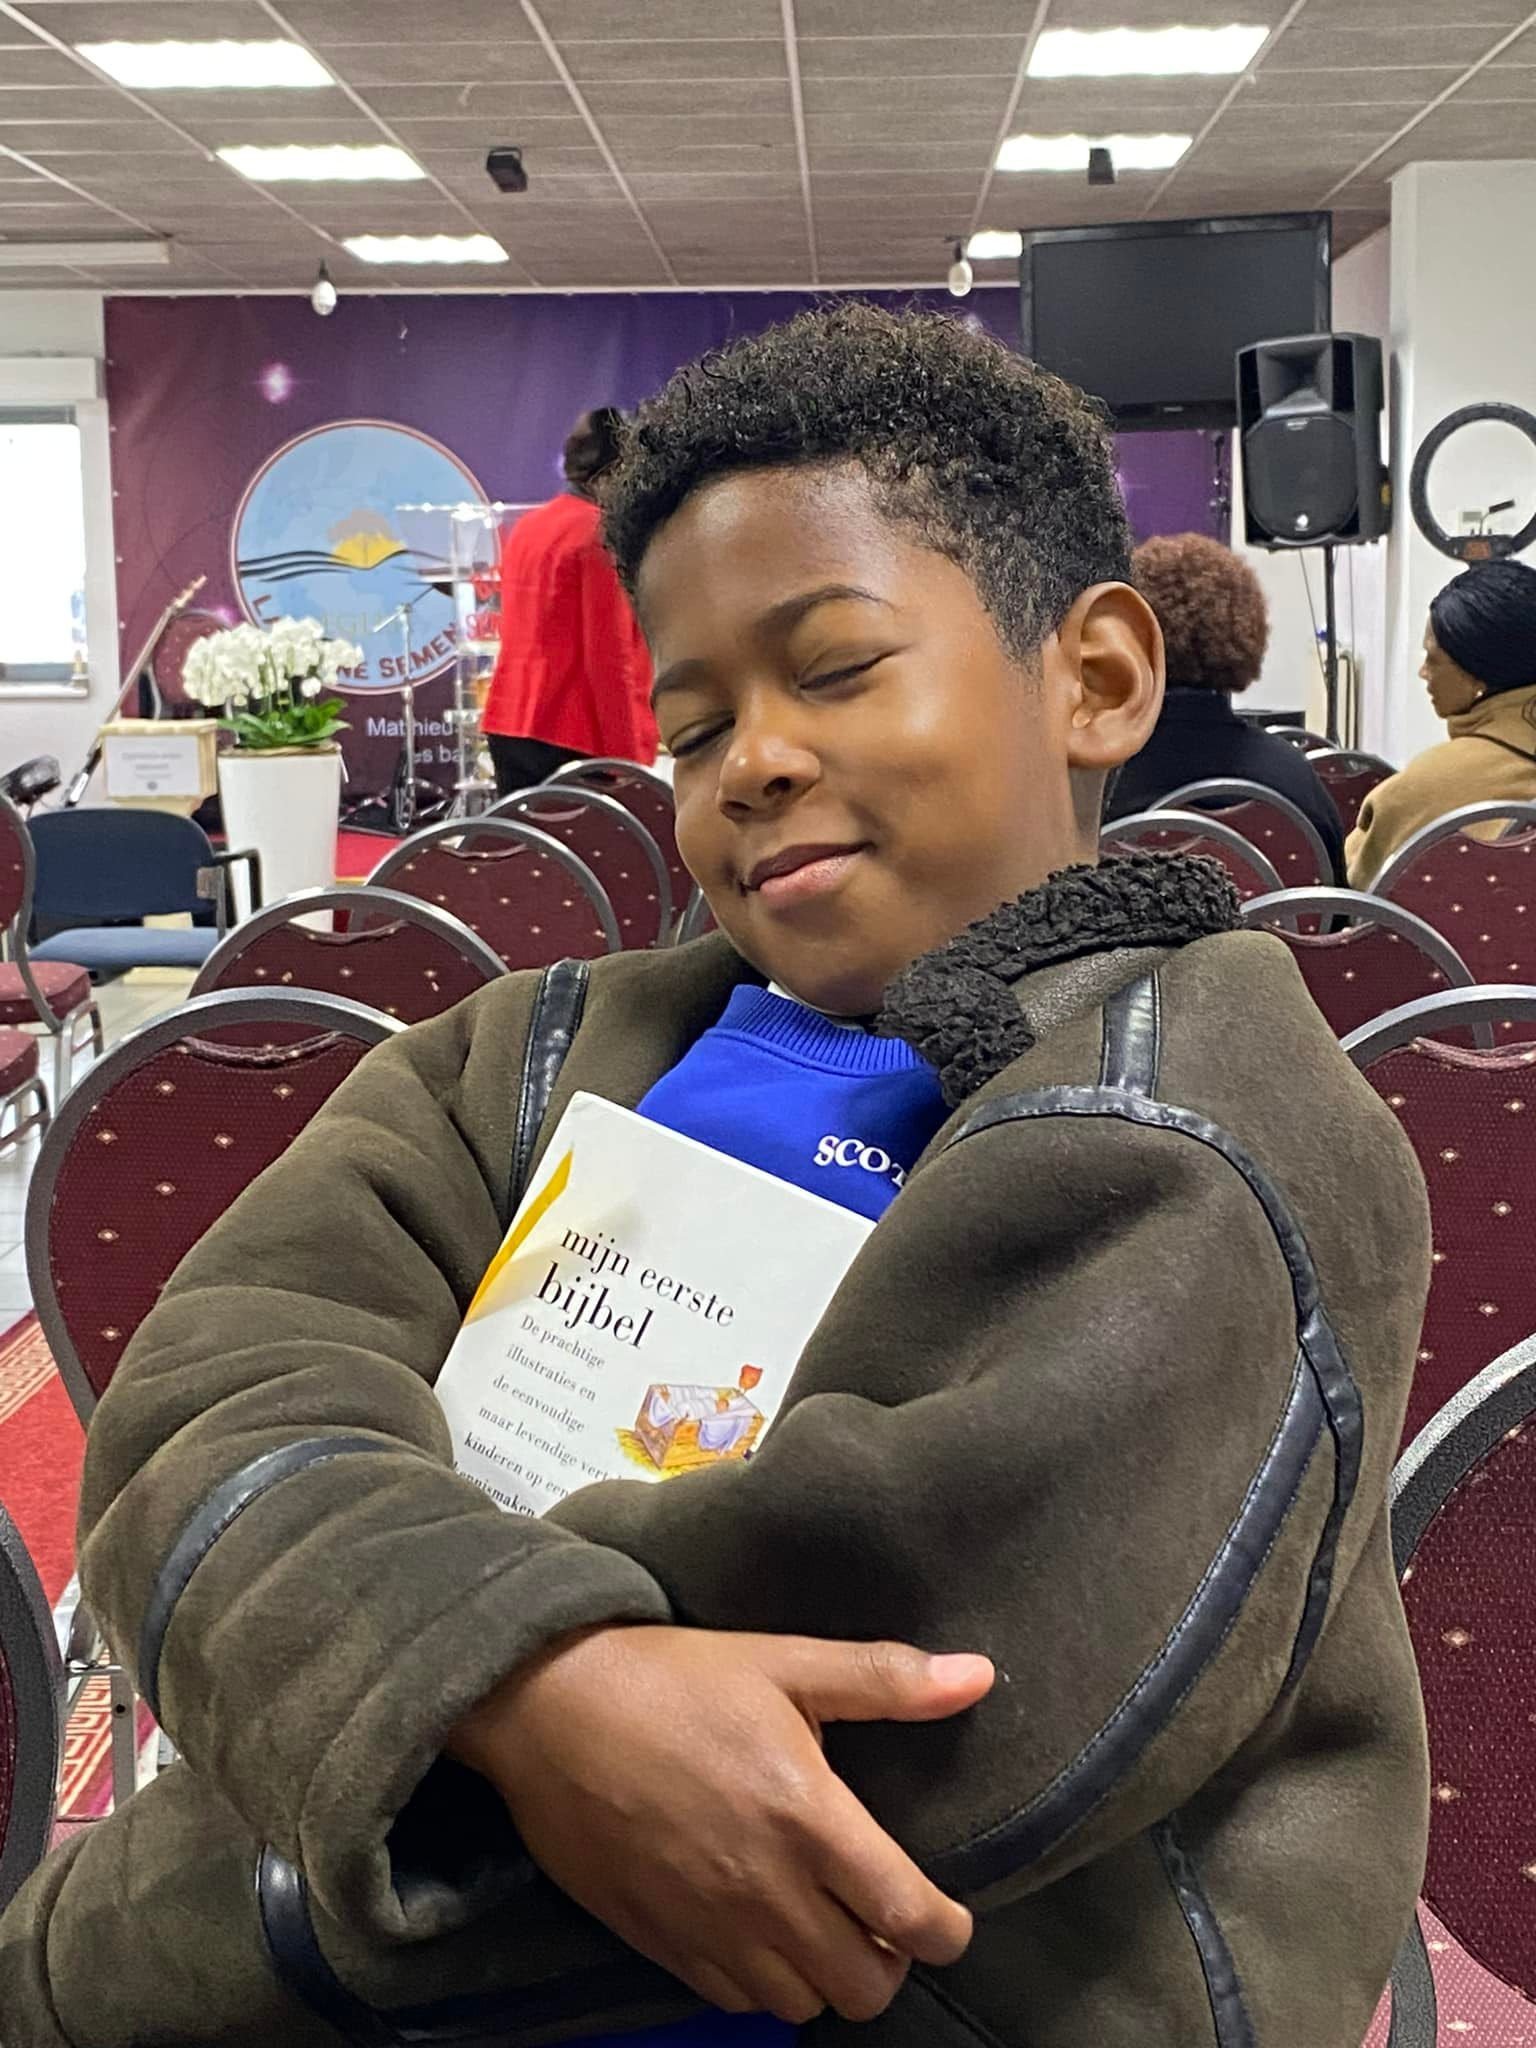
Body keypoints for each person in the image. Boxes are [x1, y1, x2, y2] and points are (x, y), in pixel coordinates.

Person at [0, 305, 1431, 2048]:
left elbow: (907, 1690)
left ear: (1100, 676)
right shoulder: (524, 1053)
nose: (749, 759)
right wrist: (529, 1673)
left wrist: (361, 1700)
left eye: (832, 669)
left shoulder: (1208, 1118)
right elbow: (212, 1392)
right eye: (690, 726)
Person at [1106, 531, 1346, 879]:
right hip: (1275, 935)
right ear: (1244, 633)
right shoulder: (1292, 777)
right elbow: (1337, 913)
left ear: (1127, 637)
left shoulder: (1099, 783)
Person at [481, 405, 655, 795]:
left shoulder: (530, 527)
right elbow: (608, 657)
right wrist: (629, 759)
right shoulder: (595, 535)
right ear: (619, 468)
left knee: (525, 852)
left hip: (510, 721)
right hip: (572, 733)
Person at [1347, 557, 1536, 886]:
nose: (1423, 673)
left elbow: (1363, 889)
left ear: (1478, 672)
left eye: (1433, 659)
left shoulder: (1415, 792)